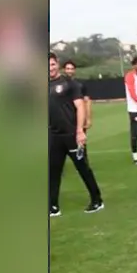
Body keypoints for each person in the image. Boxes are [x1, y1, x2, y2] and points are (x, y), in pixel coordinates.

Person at [48, 52, 103, 216]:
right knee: (53, 171)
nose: (50, 68)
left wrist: (80, 131)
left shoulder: (70, 84)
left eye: (52, 64)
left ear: (57, 64)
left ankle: (97, 200)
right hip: (54, 136)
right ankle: (53, 206)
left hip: (72, 134)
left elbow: (80, 107)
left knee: (83, 168)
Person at [63, 60, 92, 134]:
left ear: (74, 70)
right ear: (64, 70)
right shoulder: (59, 84)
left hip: (79, 117)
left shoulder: (81, 84)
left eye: (72, 69)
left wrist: (88, 118)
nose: (70, 71)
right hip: (64, 118)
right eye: (68, 69)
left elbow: (87, 101)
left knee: (80, 138)